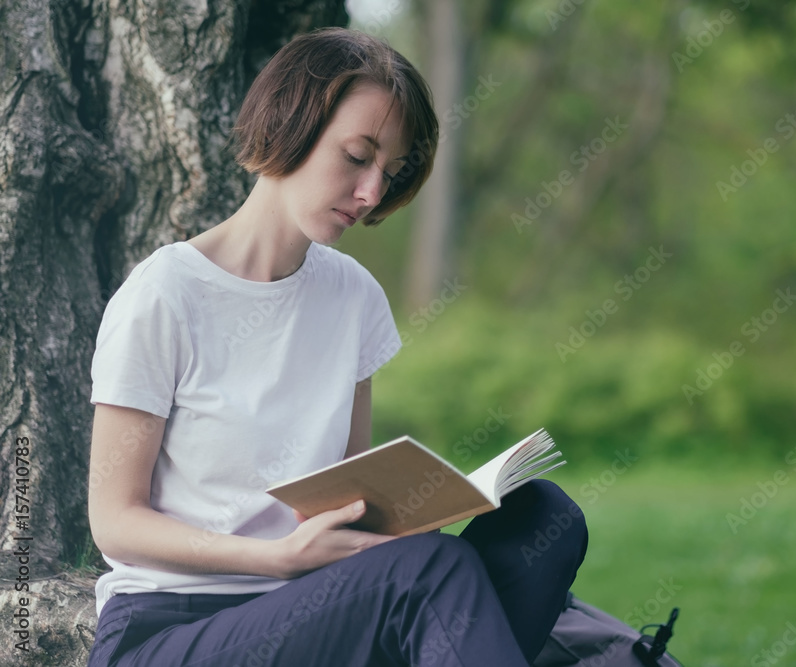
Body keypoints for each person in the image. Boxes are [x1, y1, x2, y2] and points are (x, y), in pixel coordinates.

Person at [85, 27, 587, 667]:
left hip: (315, 610)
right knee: (428, 571)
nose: (373, 192)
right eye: (357, 156)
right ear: (287, 124)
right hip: (171, 631)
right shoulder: (165, 295)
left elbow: (345, 496)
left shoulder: (353, 297)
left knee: (545, 518)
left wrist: (403, 517)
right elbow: (115, 520)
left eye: (391, 171)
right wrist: (273, 558)